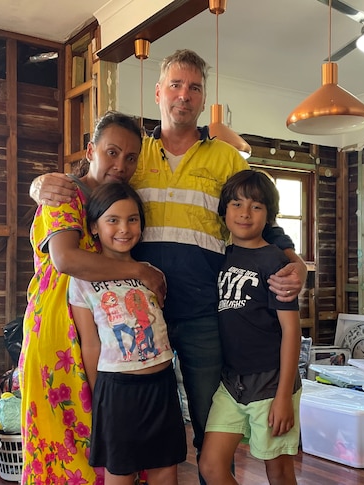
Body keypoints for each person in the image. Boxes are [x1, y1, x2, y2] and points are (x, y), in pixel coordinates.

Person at [30, 49, 307, 478]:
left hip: (203, 315)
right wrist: (39, 184)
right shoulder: (136, 159)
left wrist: (297, 263)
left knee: (209, 425)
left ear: (203, 98)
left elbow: (260, 219)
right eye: (175, 85)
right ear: (159, 93)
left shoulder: (227, 160)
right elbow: (88, 186)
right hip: (137, 316)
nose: (184, 95)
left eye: (194, 88)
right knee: (134, 426)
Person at [19, 111, 166, 484]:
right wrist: (140, 270)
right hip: (58, 331)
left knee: (113, 442)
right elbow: (66, 258)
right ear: (91, 150)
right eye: (112, 152)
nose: (120, 165)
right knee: (65, 437)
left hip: (109, 333)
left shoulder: (118, 199)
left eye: (131, 157)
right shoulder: (65, 194)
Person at [68, 182, 186, 485]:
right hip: (117, 390)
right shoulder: (81, 281)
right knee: (120, 473)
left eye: (132, 219)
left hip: (161, 386)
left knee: (165, 470)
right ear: (94, 226)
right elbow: (90, 344)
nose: (124, 228)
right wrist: (99, 398)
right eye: (113, 220)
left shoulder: (150, 272)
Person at [199, 169, 301, 485]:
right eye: (236, 204)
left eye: (256, 206)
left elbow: (292, 331)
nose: (245, 213)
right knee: (211, 466)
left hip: (271, 382)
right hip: (230, 382)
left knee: (278, 470)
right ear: (224, 210)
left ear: (268, 215)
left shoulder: (274, 261)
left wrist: (284, 395)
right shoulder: (219, 256)